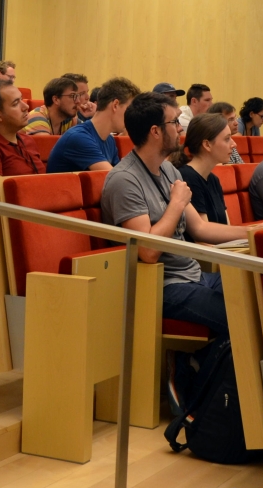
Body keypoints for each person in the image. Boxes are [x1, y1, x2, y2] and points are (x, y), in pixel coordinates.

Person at [100, 93, 246, 338]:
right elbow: (147, 251)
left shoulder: (168, 169)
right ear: (155, 131)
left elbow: (200, 228)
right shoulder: (124, 180)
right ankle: (198, 364)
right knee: (239, 317)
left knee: (257, 297)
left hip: (193, 275)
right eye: (175, 122)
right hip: (163, 285)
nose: (180, 128)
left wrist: (253, 232)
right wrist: (176, 203)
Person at [46, 76, 139, 173]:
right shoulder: (78, 137)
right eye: (129, 109)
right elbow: (117, 177)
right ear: (115, 105)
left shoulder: (109, 140)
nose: (131, 116)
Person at [177, 112, 234, 225]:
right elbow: (203, 235)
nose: (234, 144)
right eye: (227, 139)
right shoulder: (187, 178)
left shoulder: (213, 179)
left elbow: (226, 227)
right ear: (207, 145)